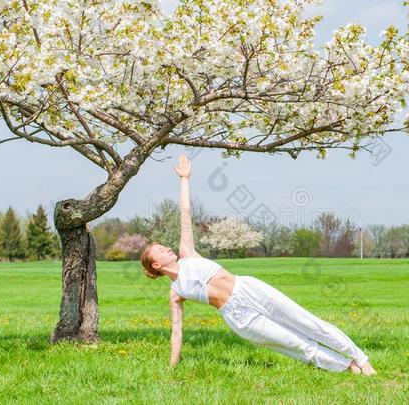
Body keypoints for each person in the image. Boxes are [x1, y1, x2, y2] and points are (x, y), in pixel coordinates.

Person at [140, 153, 376, 375]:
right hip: (238, 316)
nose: (166, 248)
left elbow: (185, 213)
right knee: (294, 344)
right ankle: (347, 367)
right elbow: (177, 331)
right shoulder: (176, 292)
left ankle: (361, 358)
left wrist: (184, 179)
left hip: (248, 289)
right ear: (157, 265)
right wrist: (172, 368)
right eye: (160, 250)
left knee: (308, 323)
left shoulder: (187, 252)